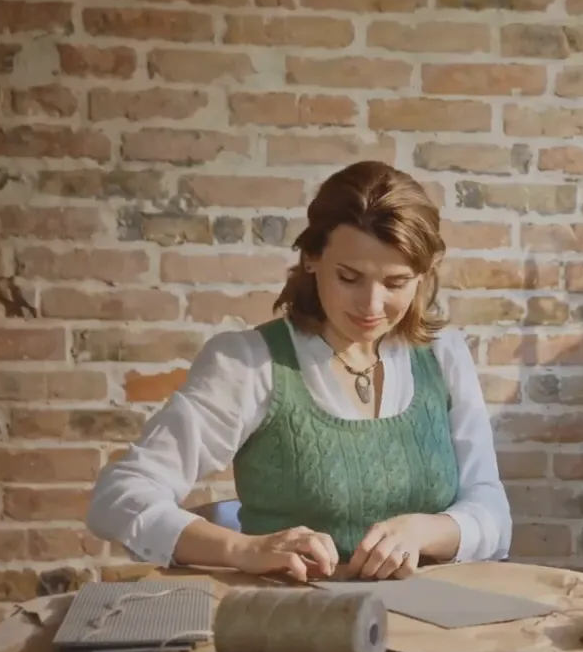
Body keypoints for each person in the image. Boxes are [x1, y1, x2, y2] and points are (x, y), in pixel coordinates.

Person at [86, 161, 512, 582]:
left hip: (434, 621)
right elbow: (119, 497)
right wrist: (242, 550)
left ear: (424, 275)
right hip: (294, 625)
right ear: (311, 258)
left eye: (396, 283)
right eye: (349, 277)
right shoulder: (249, 364)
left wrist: (425, 531)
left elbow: (492, 515)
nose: (372, 305)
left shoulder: (443, 356)